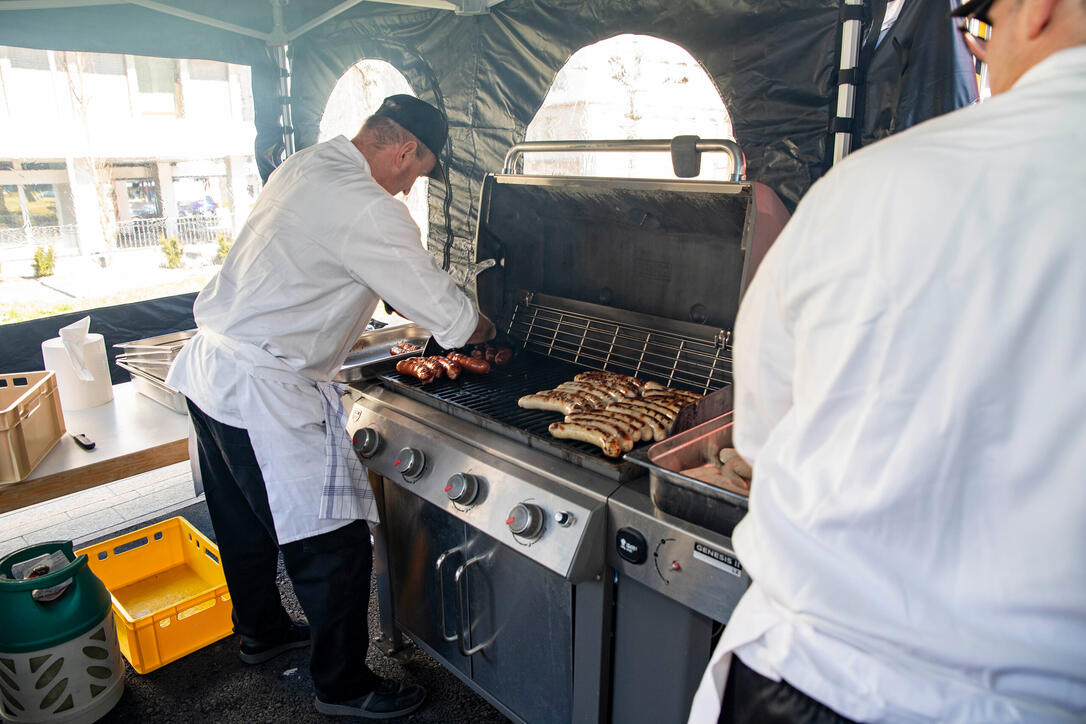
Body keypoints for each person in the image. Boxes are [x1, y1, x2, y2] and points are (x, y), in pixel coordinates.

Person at [688, 1, 1086, 722]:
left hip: (805, 677)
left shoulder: (868, 186)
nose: (980, 52)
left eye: (983, 25)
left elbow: (767, 432)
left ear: (1037, 9)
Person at [166, 94, 496, 720]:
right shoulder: (371, 206)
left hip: (211, 371)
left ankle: (262, 632)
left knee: (240, 522)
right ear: (404, 150)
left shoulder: (309, 163)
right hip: (266, 389)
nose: (408, 189)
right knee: (335, 543)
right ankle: (342, 686)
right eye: (416, 174)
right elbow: (451, 319)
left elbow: (324, 257)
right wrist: (486, 328)